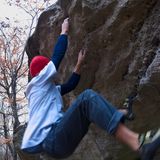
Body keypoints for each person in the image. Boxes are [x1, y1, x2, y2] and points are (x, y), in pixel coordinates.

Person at [21, 18, 160, 160]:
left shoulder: (46, 91)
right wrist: (64, 31)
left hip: (58, 146)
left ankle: (119, 114)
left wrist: (79, 65)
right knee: (87, 98)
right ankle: (139, 143)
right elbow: (57, 58)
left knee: (88, 109)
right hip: (52, 139)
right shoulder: (38, 83)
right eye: (47, 68)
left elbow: (70, 86)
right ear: (42, 72)